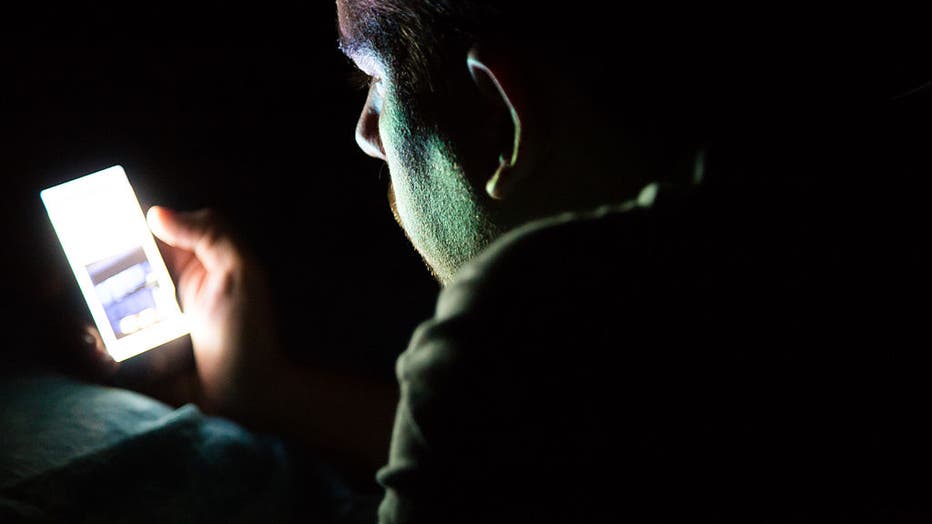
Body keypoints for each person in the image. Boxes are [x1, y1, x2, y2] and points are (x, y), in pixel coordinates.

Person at [3, 2, 928, 522]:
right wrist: (271, 391)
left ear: (497, 116)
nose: (367, 132)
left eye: (376, 77)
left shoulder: (523, 323)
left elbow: (521, 401)